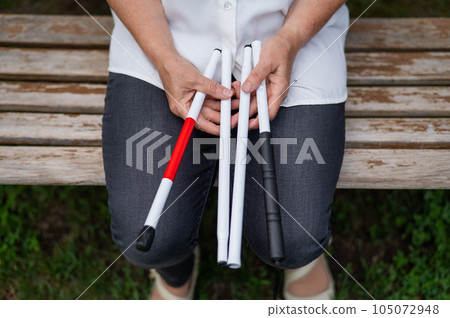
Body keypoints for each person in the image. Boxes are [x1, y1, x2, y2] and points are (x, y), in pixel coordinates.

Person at [103, 0, 349, 299]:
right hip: (163, 39)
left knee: (295, 239)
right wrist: (164, 56)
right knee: (150, 241)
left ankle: (302, 265)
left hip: (295, 38)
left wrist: (292, 37)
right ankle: (175, 274)